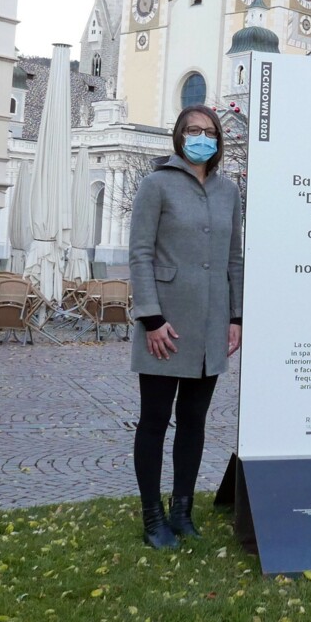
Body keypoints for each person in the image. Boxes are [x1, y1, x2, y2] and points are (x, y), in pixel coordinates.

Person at [129, 105, 244, 549]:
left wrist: (236, 317)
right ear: (179, 136)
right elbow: (140, 253)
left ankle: (182, 510)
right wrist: (151, 318)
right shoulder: (155, 184)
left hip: (211, 325)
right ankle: (152, 516)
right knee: (154, 420)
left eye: (209, 131)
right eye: (193, 130)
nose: (202, 137)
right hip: (165, 324)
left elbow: (234, 258)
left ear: (218, 140)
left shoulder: (228, 191)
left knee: (194, 421)